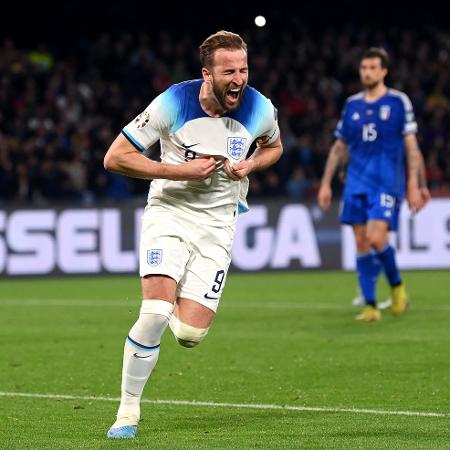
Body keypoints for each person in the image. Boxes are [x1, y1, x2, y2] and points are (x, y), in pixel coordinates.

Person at [103, 30, 282, 438]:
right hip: (170, 213)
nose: (239, 78)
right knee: (155, 313)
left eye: (244, 69)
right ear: (207, 74)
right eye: (229, 71)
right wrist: (178, 171)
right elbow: (115, 157)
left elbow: (275, 147)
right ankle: (127, 412)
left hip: (219, 224)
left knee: (189, 333)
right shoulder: (172, 103)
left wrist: (251, 165)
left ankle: (175, 297)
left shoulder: (260, 109)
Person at [318, 47, 429, 322]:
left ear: (383, 71)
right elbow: (339, 147)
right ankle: (370, 305)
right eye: (363, 67)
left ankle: (396, 286)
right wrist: (326, 183)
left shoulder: (397, 102)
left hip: (386, 183)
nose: (366, 72)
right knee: (360, 242)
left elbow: (411, 146)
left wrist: (414, 184)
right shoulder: (352, 104)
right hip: (355, 182)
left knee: (377, 238)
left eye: (372, 68)